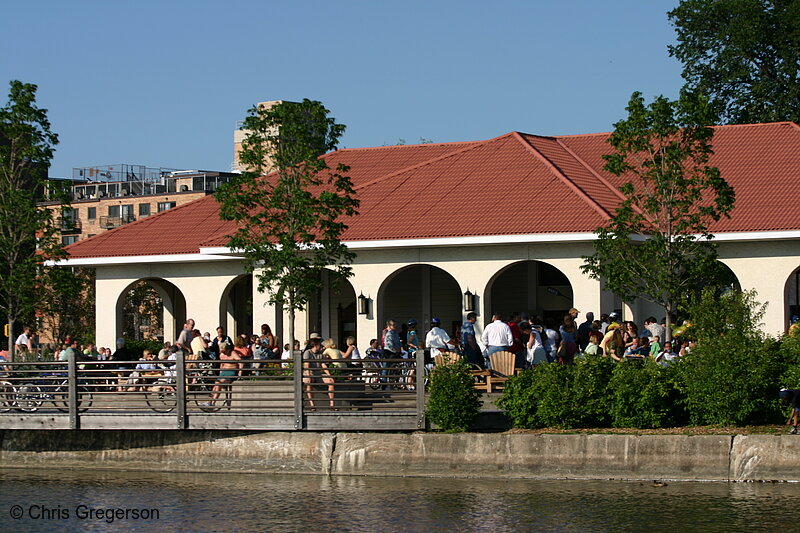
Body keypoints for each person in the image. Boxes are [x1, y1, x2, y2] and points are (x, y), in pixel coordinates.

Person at [202, 342, 242, 408]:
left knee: (218, 384)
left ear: (227, 349)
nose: (223, 353)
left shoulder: (233, 353)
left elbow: (241, 362)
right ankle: (209, 402)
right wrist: (221, 371)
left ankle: (213, 403)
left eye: (224, 351)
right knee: (215, 386)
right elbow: (222, 363)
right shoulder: (221, 355)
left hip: (231, 372)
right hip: (223, 372)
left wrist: (240, 373)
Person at [302, 335, 334, 411]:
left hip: (318, 373)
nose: (321, 346)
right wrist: (309, 376)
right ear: (315, 345)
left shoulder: (320, 354)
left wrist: (329, 375)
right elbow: (307, 365)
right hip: (310, 372)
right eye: (319, 345)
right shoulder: (307, 353)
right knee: (309, 383)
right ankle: (312, 405)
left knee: (331, 382)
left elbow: (323, 364)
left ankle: (332, 404)